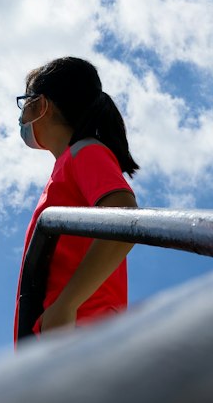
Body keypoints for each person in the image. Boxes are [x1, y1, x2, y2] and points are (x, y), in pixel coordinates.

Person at [15, 56, 138, 342]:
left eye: (25, 101)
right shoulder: (65, 166)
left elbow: (123, 217)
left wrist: (66, 306)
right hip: (64, 340)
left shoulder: (85, 151)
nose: (21, 117)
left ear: (41, 104)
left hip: (85, 335)